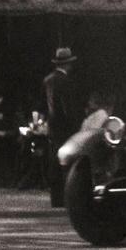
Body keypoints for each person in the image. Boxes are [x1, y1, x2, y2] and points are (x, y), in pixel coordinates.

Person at [42, 48, 82, 208]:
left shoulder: (48, 80)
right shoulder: (66, 82)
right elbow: (68, 108)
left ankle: (56, 197)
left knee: (55, 161)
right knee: (68, 162)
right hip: (66, 127)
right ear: (69, 64)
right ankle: (66, 196)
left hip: (53, 126)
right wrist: (76, 125)